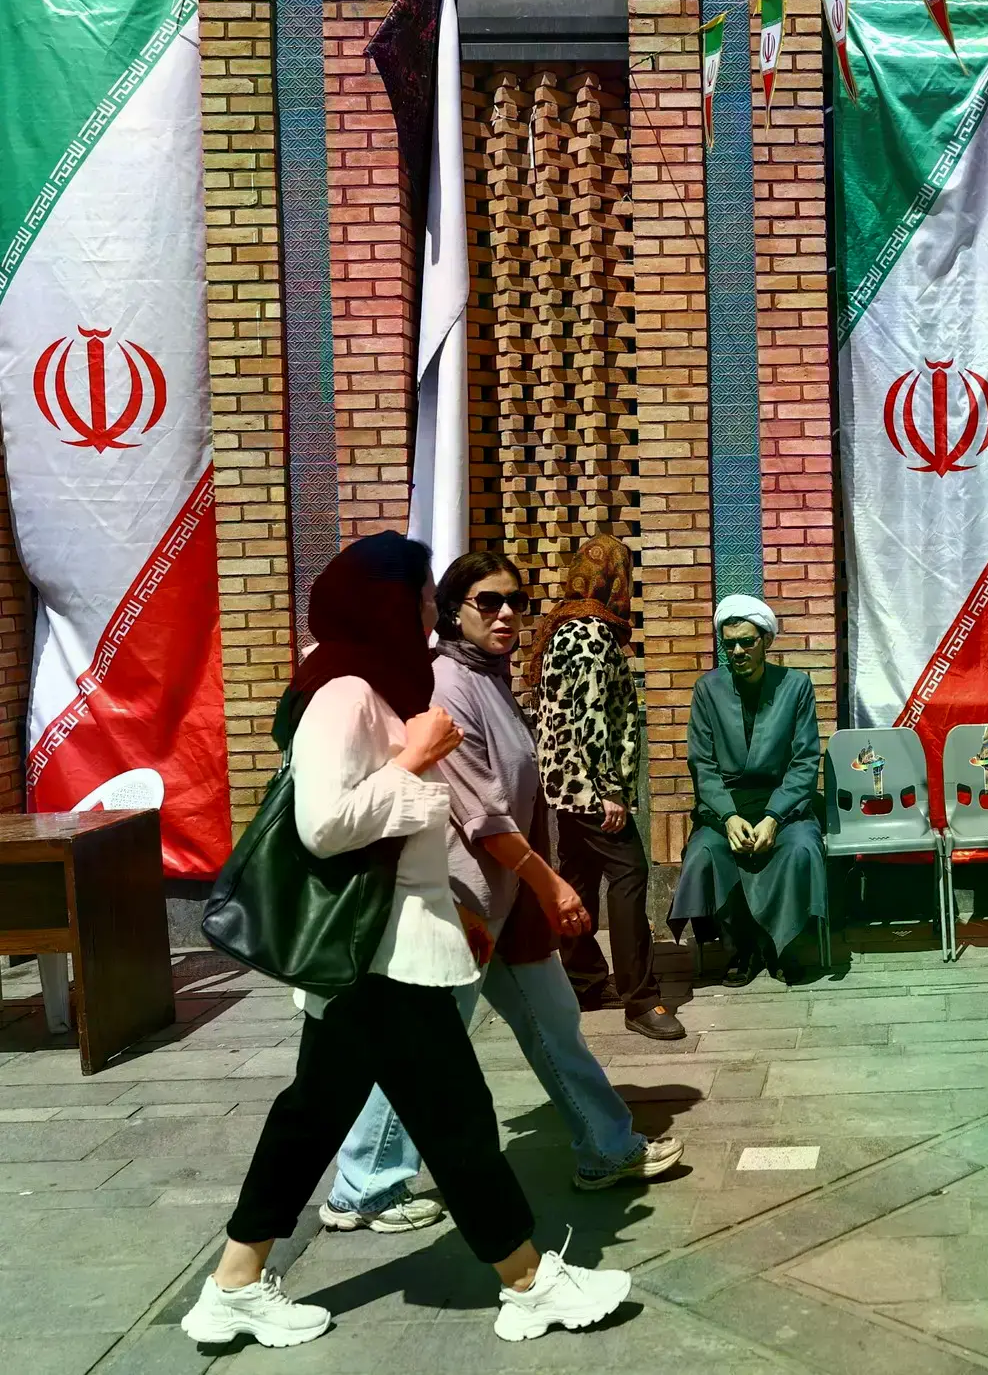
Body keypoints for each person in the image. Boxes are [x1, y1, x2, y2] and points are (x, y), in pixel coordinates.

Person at [181, 533, 630, 1350]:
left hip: (381, 951)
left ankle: (233, 1285)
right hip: (381, 954)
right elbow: (323, 826)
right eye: (424, 594)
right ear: (384, 601)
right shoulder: (345, 691)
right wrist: (415, 769)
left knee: (310, 1119)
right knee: (457, 1120)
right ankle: (529, 1282)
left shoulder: (378, 683)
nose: (433, 608)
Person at [317, 551, 685, 1238]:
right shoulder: (446, 682)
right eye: (488, 602)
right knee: (423, 1047)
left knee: (552, 1024)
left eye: (516, 601)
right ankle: (363, 1187)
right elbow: (480, 813)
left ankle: (606, 1148)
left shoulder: (490, 678)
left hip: (503, 898)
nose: (507, 614)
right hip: (458, 901)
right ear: (455, 610)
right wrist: (550, 884)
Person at [524, 534, 681, 1040]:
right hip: (591, 788)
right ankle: (642, 999)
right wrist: (608, 791)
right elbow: (591, 716)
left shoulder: (560, 629)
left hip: (564, 786)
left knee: (580, 874)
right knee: (631, 875)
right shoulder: (592, 635)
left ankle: (585, 979)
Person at [670, 596, 828, 986]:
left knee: (801, 848)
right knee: (707, 853)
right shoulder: (708, 690)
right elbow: (702, 764)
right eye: (730, 644)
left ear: (766, 641)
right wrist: (728, 817)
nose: (738, 651)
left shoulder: (796, 687)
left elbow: (805, 761)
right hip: (725, 807)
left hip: (783, 807)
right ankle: (740, 946)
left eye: (747, 641)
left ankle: (782, 944)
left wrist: (775, 817)